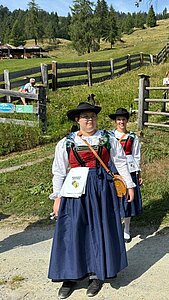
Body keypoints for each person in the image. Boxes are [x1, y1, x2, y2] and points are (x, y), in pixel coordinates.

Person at [48, 102, 135, 299]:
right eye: (85, 117)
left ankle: (96, 274)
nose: (90, 120)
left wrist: (129, 186)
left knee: (99, 228)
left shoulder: (107, 139)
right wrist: (57, 196)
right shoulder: (67, 142)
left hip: (100, 188)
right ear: (77, 120)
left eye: (93, 116)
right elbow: (59, 171)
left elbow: (120, 162)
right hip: (74, 189)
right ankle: (70, 276)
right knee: (73, 229)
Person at [109, 108, 143, 243]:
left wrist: (138, 172)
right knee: (115, 199)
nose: (121, 122)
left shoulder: (132, 137)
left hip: (129, 168)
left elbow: (136, 156)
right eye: (118, 120)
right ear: (115, 121)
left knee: (128, 200)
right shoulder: (109, 136)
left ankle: (127, 228)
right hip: (114, 169)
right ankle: (116, 227)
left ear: (127, 121)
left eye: (123, 119)